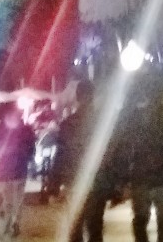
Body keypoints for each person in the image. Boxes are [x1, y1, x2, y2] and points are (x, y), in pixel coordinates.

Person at [118, 77, 163, 242]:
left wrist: (123, 176)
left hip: (141, 177)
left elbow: (126, 147)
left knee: (141, 221)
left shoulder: (136, 119)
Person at [49, 80, 116, 242]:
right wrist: (116, 186)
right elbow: (112, 154)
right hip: (98, 182)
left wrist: (54, 185)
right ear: (93, 97)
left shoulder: (67, 124)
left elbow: (60, 156)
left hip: (74, 181)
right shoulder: (103, 123)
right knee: (95, 228)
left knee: (75, 227)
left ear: (77, 97)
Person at [0, 102, 35, 237]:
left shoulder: (1, 129)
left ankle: (10, 224)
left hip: (8, 171)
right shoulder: (26, 129)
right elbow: (32, 148)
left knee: (9, 200)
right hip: (18, 169)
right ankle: (14, 224)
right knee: (16, 200)